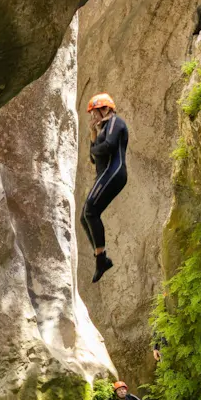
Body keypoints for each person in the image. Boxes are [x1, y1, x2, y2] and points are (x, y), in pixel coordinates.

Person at [81, 92, 128, 283]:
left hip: (113, 172)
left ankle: (101, 260)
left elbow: (108, 147)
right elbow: (94, 158)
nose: (93, 117)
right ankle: (101, 258)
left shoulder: (115, 122)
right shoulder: (103, 129)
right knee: (85, 216)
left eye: (95, 112)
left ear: (106, 109)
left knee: (91, 211)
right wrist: (93, 135)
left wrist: (94, 148)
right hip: (104, 173)